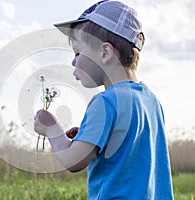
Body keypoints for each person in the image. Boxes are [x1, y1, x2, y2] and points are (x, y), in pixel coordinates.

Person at [34, 1, 174, 199]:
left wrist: (52, 129)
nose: (73, 62)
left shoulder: (105, 102)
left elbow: (74, 161)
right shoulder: (151, 100)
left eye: (78, 53)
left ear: (105, 52)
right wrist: (87, 136)